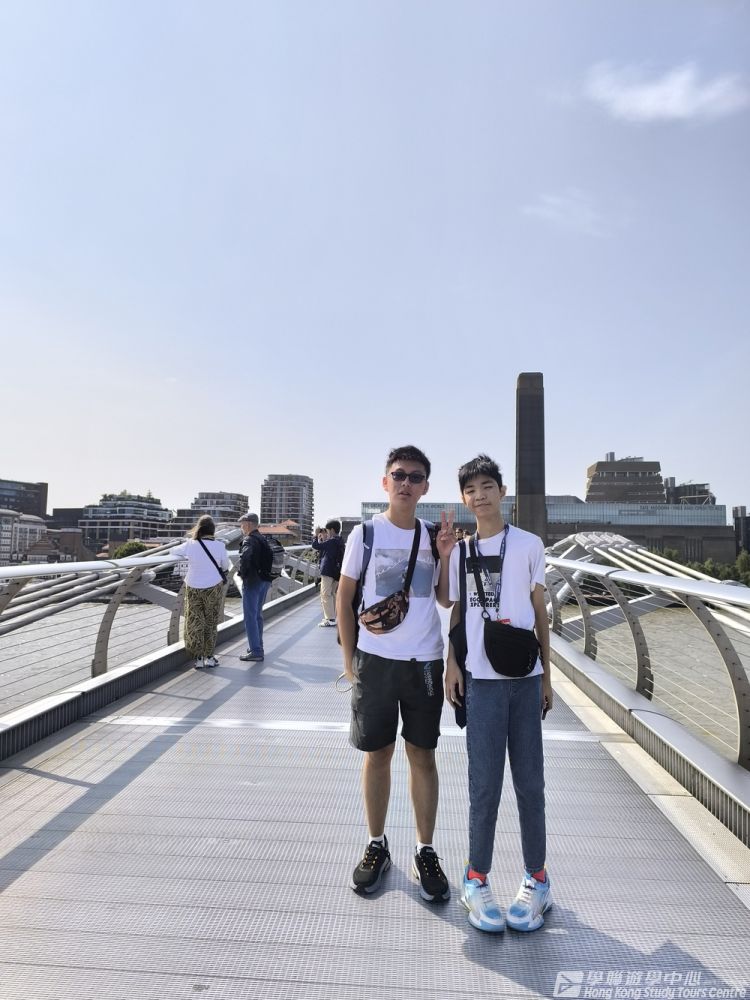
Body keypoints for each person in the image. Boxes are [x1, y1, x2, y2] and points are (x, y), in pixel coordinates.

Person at [437, 454, 553, 934]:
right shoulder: (461, 551)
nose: (479, 495)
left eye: (487, 486)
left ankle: (537, 879)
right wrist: (452, 663)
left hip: (524, 680)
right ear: (463, 498)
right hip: (481, 681)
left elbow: (540, 612)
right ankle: (476, 878)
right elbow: (453, 607)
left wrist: (548, 677)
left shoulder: (528, 544)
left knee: (530, 784)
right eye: (471, 489)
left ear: (502, 492)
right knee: (484, 786)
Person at [336, 445, 454, 902]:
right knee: (377, 753)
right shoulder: (364, 534)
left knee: (422, 754)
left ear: (425, 487)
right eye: (399, 475)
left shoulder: (433, 536)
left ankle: (425, 849)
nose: (406, 483)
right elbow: (345, 596)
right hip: (375, 661)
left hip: (424, 660)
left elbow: (444, 599)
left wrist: (445, 555)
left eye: (415, 477)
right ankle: (376, 843)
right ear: (385, 482)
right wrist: (349, 661)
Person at [171, 515, 229, 669]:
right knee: (211, 622)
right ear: (213, 530)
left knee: (195, 622)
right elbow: (225, 566)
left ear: (199, 529)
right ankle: (209, 657)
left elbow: (172, 550)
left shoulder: (190, 544)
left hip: (193, 587)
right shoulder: (220, 546)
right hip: (213, 587)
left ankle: (198, 659)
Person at [237, 513, 271, 663]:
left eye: (242, 523)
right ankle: (258, 646)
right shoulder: (263, 539)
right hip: (264, 580)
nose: (241, 527)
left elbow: (246, 558)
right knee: (257, 615)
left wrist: (242, 575)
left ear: (249, 524)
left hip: (252, 582)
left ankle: (256, 651)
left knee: (250, 616)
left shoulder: (249, 540)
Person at [311, 519, 346, 627]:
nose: (326, 532)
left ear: (331, 530)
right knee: (333, 594)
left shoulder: (332, 541)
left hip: (328, 571)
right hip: (337, 572)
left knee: (325, 594)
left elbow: (316, 546)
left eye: (327, 530)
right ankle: (333, 617)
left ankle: (330, 619)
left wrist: (316, 535)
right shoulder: (340, 540)